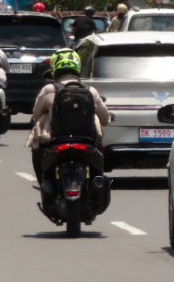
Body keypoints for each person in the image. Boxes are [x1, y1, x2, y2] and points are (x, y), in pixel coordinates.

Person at [25, 49, 111, 183]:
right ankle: (97, 181)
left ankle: (43, 183)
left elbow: (36, 115)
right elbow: (105, 119)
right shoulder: (91, 91)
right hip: (88, 141)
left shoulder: (48, 90)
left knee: (37, 147)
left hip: (55, 140)